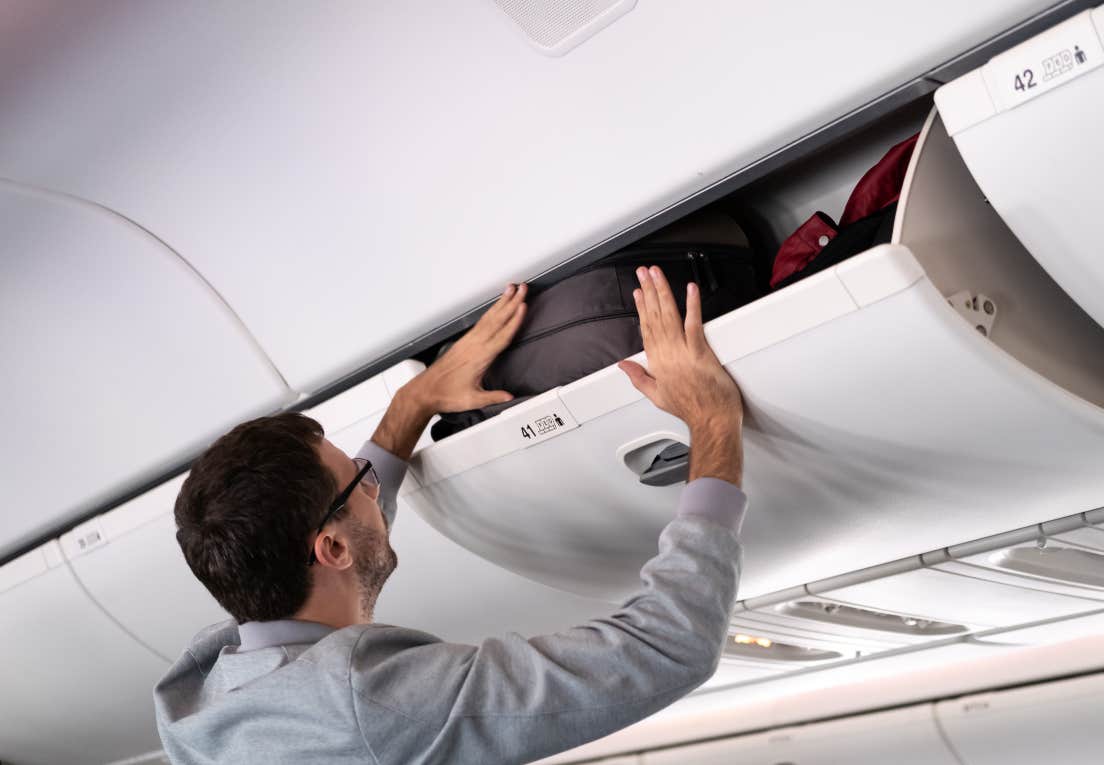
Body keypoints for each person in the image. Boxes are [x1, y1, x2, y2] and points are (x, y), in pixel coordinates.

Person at [154, 267, 747, 764]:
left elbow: (344, 528)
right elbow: (670, 647)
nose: (371, 482)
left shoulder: (206, 696)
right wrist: (714, 423)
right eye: (359, 480)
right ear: (330, 549)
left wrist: (414, 403)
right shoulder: (371, 702)